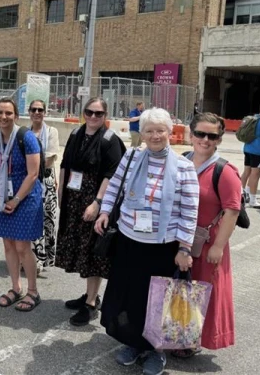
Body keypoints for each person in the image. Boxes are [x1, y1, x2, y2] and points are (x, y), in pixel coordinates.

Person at [94, 107, 199, 375]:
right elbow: (115, 186)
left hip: (164, 246)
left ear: (170, 133)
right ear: (142, 133)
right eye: (149, 130)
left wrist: (185, 247)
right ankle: (133, 342)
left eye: (160, 130)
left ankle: (156, 351)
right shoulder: (131, 157)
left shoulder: (185, 168)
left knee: (159, 300)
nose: (155, 135)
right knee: (130, 296)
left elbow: (189, 211)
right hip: (130, 241)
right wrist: (105, 211)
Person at [174, 113, 241, 358]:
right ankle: (179, 334)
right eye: (200, 134)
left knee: (202, 292)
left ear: (219, 140)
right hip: (181, 239)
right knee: (182, 289)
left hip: (207, 243)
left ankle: (192, 341)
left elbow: (232, 211)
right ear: (191, 135)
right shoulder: (182, 160)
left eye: (212, 136)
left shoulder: (224, 171)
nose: (205, 139)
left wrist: (218, 247)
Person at [55, 97, 126, 326]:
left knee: (93, 251)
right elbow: (65, 165)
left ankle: (91, 303)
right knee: (80, 250)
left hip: (94, 202)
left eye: (98, 113)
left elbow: (111, 174)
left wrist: (97, 203)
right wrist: (61, 194)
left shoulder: (109, 140)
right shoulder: (76, 135)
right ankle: (89, 294)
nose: (93, 117)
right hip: (74, 199)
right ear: (83, 113)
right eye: (89, 112)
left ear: (105, 116)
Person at [0, 97, 43, 312]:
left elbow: (33, 173)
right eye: (0, 112)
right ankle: (15, 287)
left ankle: (33, 291)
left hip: (25, 197)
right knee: (8, 244)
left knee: (22, 246)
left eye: (8, 113)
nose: (4, 117)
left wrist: (16, 199)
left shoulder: (26, 137)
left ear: (16, 116)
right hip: (3, 197)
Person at [27, 99, 59, 273]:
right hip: (29, 180)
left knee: (47, 219)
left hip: (45, 178)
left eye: (40, 109)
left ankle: (42, 258)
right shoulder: (25, 133)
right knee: (31, 219)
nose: (37, 112)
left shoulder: (52, 132)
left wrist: (30, 166)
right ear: (29, 112)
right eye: (34, 109)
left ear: (44, 112)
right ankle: (31, 257)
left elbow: (49, 160)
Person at [241, 103, 260, 206]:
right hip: (258, 151)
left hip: (248, 149)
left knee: (246, 172)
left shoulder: (253, 119)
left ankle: (240, 193)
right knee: (256, 174)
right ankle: (253, 200)